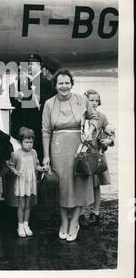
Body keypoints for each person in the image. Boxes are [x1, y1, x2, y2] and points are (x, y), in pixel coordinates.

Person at [42, 69, 98, 242]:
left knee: (79, 183)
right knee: (63, 186)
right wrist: (46, 156)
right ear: (55, 85)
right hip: (58, 148)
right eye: (60, 83)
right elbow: (45, 130)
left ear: (72, 84)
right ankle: (63, 222)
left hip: (80, 147)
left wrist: (91, 129)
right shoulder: (49, 103)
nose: (64, 86)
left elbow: (94, 117)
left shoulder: (82, 100)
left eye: (67, 83)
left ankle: (74, 222)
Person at [81, 89, 115, 226]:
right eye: (91, 100)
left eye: (96, 100)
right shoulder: (81, 116)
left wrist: (110, 141)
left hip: (97, 155)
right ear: (85, 101)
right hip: (82, 154)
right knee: (82, 184)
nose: (94, 103)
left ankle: (95, 212)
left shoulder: (102, 116)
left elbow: (111, 131)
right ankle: (82, 213)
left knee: (96, 185)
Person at [7, 127, 48, 238]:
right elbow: (10, 165)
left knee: (28, 205)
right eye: (26, 142)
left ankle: (26, 224)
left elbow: (36, 166)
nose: (29, 144)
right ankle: (20, 226)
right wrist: (16, 172)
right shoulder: (16, 154)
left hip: (30, 182)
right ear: (20, 142)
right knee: (21, 205)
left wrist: (43, 169)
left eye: (31, 142)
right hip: (21, 183)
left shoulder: (34, 153)